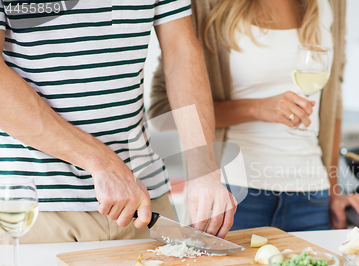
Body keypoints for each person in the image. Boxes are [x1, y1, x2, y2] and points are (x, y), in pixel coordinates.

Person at [0, 0, 235, 244]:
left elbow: (181, 51)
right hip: (33, 207)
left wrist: (204, 173)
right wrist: (99, 161)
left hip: (144, 202)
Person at [150, 0, 359, 231]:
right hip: (234, 196)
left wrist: (335, 189)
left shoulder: (333, 4)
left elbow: (334, 104)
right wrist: (256, 108)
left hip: (313, 195)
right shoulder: (205, 5)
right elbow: (162, 111)